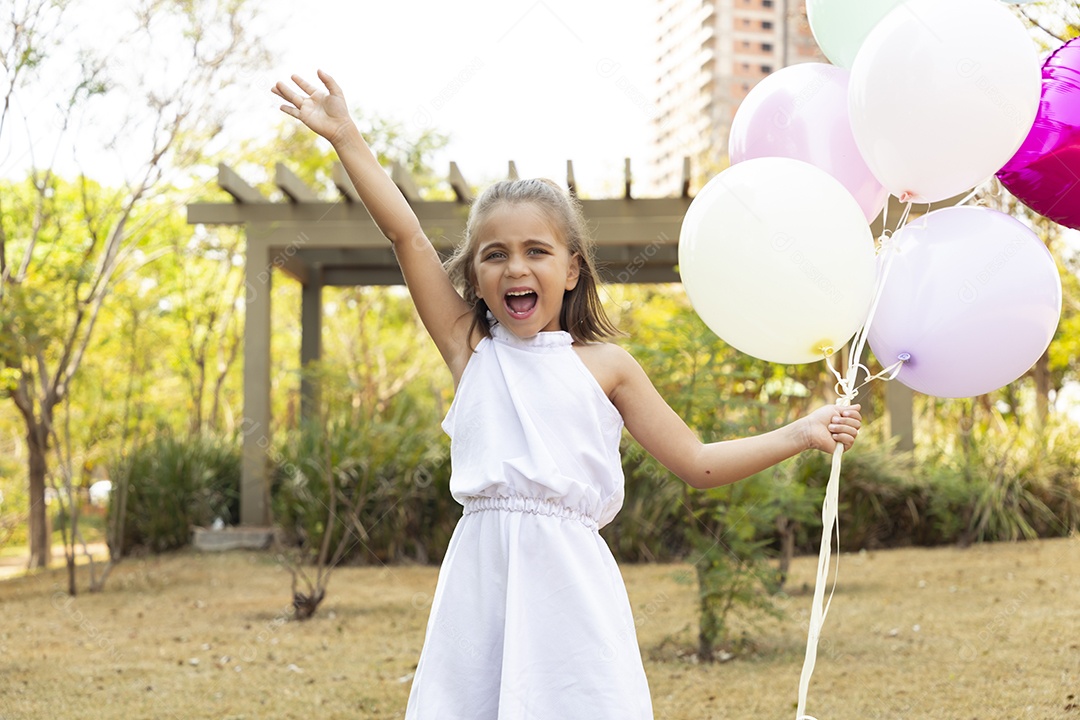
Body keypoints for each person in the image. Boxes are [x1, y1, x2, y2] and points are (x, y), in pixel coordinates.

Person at [272, 70, 862, 720]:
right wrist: (347, 138)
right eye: (494, 254)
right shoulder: (472, 348)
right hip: (482, 582)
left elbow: (697, 462)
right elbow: (407, 236)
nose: (516, 267)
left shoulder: (609, 366)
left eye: (536, 251)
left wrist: (801, 432)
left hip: (571, 591)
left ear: (573, 267)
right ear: (474, 274)